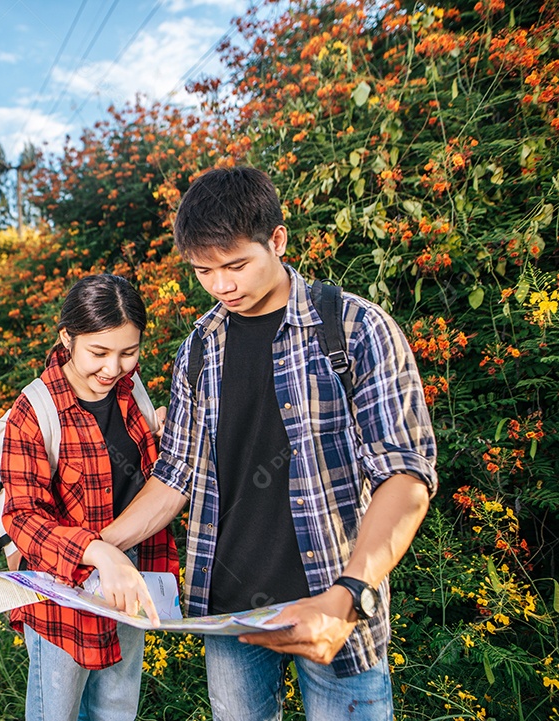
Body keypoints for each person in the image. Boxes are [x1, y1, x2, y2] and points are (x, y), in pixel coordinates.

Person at [92, 166, 437, 719]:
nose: (222, 286)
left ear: (277, 240)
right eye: (204, 271)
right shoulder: (200, 348)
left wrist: (348, 596)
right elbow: (177, 473)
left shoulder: (353, 330)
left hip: (333, 601)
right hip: (227, 613)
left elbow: (406, 475)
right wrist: (96, 544)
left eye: (235, 265)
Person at [0, 274, 179, 721]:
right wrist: (98, 551)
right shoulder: (35, 409)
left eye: (128, 352)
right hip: (63, 595)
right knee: (56, 711)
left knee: (117, 707)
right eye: (98, 353)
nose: (113, 368)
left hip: (130, 580)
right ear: (67, 338)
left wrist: (159, 433)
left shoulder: (132, 389)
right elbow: (21, 515)